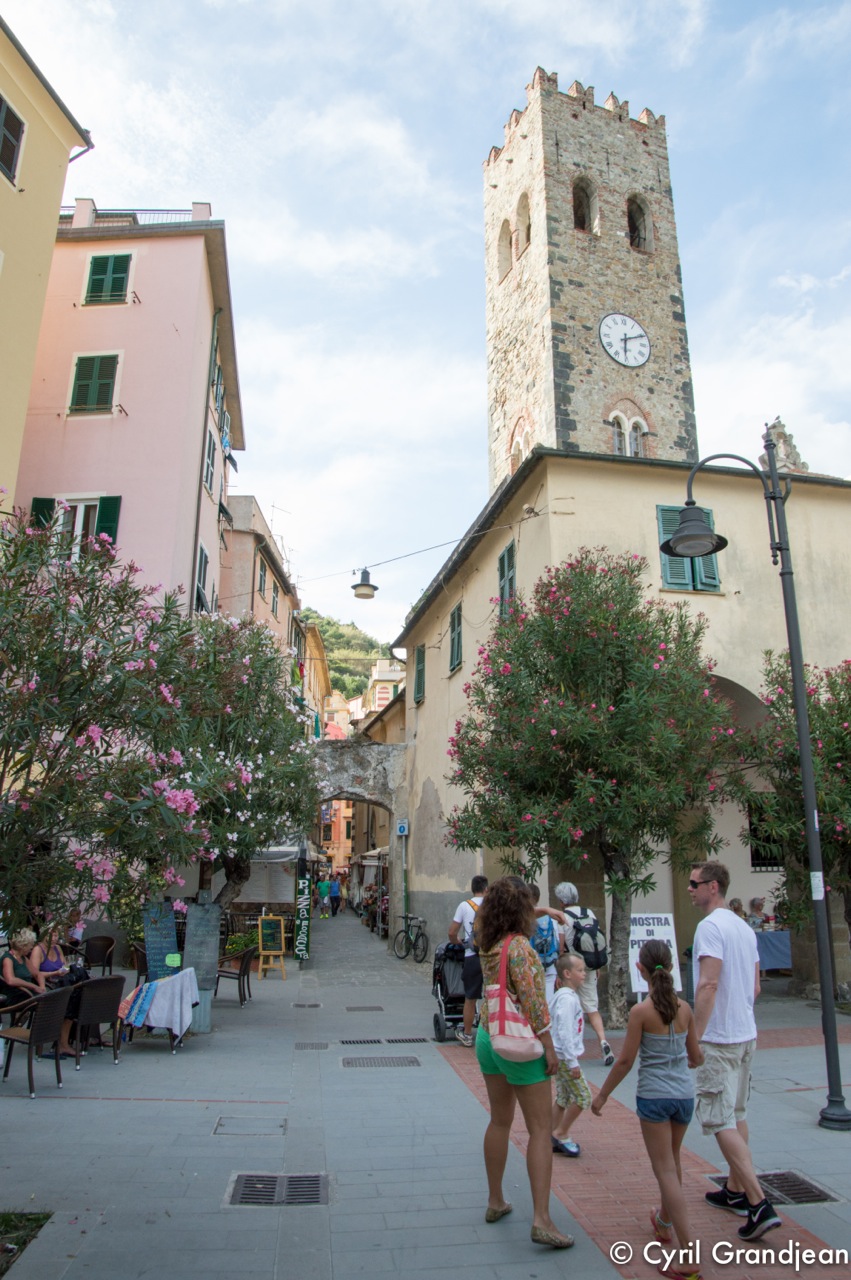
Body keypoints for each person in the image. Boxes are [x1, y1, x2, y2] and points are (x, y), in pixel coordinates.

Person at [592, 940, 704, 1280]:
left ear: (640, 970)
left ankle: (688, 1255)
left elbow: (625, 1060)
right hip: (684, 1096)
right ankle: (665, 1221)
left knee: (665, 1170)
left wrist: (603, 1096)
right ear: (669, 967)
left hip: (653, 1097)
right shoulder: (684, 1009)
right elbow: (696, 1057)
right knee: (673, 1162)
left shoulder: (640, 1012)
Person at [474, 876, 574, 1249]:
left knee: (499, 1120)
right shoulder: (521, 949)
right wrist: (549, 1046)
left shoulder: (487, 944)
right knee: (539, 1128)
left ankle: (495, 1199)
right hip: (518, 1040)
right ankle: (542, 1219)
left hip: (489, 1034)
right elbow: (534, 1003)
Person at [689, 861, 781, 1242]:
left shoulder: (710, 927)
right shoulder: (743, 926)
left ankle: (758, 1203)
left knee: (718, 1117)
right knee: (737, 1111)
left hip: (721, 1038)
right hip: (745, 1034)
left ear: (713, 886)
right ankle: (735, 1189)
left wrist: (695, 1036)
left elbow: (708, 984)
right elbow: (755, 987)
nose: (690, 889)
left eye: (694, 884)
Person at [554, 881, 614, 1064]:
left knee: (568, 1007)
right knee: (592, 1009)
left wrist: (559, 972)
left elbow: (561, 947)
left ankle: (570, 1051)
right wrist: (595, 967)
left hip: (570, 969)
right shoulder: (590, 913)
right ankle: (603, 1041)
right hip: (589, 966)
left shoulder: (563, 917)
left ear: (561, 900)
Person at [550, 953, 591, 1157]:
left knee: (563, 1097)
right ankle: (560, 1132)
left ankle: (550, 1132)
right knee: (584, 1097)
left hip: (563, 1056)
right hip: (566, 1058)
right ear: (567, 973)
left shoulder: (566, 996)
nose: (584, 974)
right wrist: (572, 1061)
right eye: (580, 970)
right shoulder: (566, 999)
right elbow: (565, 1030)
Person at [448, 875, 488, 1047]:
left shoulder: (464, 906)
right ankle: (492, 1032)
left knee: (470, 998)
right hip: (491, 957)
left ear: (472, 889)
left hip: (472, 956)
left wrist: (458, 942)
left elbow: (452, 932)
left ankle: (467, 1034)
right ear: (486, 889)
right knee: (493, 996)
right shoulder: (492, 905)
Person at [529, 884, 561, 999]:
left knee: (532, 1002)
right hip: (549, 964)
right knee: (548, 1001)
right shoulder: (550, 918)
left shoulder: (524, 920)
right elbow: (558, 944)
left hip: (531, 966)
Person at [0, 929, 43, 1013]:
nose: (31, 948)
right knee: (40, 1004)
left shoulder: (23, 958)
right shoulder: (8, 958)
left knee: (48, 999)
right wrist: (33, 986)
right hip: (14, 993)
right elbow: (10, 980)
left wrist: (42, 987)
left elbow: (38, 974)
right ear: (23, 945)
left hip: (27, 992)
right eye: (30, 945)